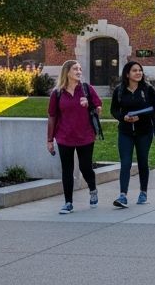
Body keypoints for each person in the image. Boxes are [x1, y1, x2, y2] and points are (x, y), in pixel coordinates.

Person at [46, 59, 102, 214]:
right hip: (64, 136)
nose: (79, 71)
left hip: (85, 135)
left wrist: (89, 104)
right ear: (67, 72)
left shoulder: (86, 89)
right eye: (75, 69)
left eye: (80, 69)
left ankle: (92, 189)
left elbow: (98, 109)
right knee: (67, 170)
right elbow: (52, 117)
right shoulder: (57, 93)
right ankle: (68, 203)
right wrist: (50, 140)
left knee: (85, 167)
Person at [110, 60, 155, 208]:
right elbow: (114, 110)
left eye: (140, 70)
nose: (138, 73)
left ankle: (143, 192)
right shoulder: (119, 90)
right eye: (134, 70)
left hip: (144, 131)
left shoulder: (148, 90)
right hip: (125, 131)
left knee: (142, 161)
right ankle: (123, 196)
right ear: (127, 74)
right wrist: (123, 117)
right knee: (125, 163)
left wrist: (141, 117)